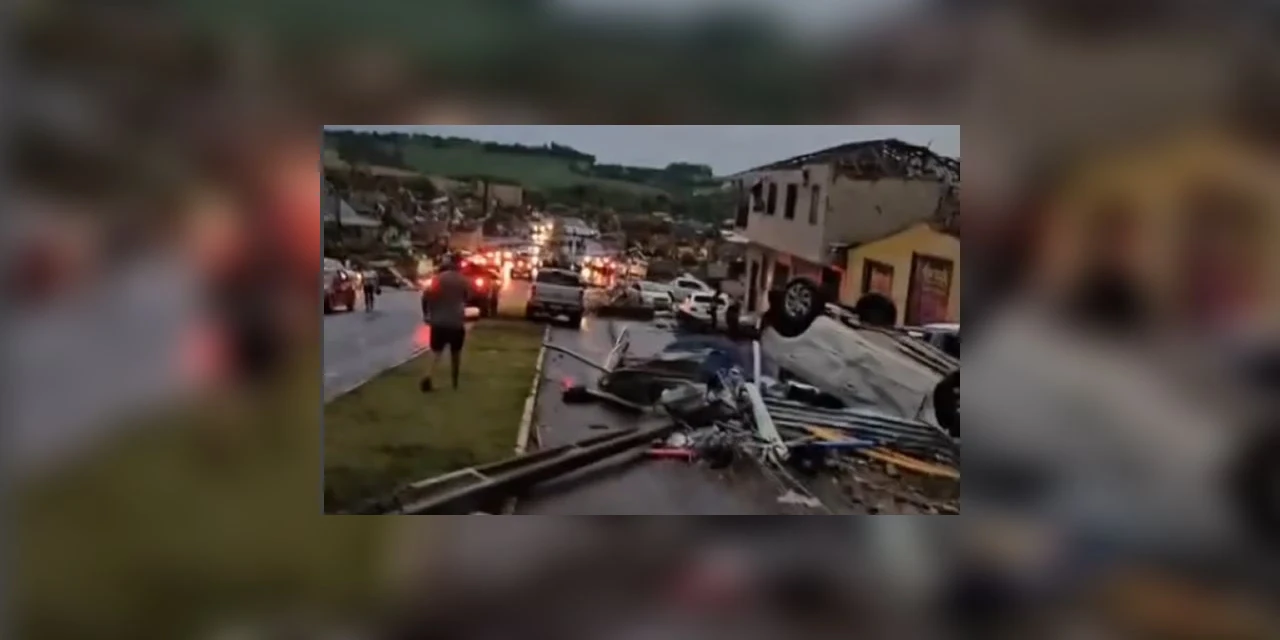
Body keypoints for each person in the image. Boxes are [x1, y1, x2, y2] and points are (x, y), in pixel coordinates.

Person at [419, 254, 469, 392]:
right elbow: (466, 298)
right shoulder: (462, 280)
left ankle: (428, 375)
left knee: (436, 352)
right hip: (456, 322)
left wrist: (427, 314)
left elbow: (426, 297)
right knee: (456, 353)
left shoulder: (437, 280)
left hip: (438, 322)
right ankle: (455, 381)